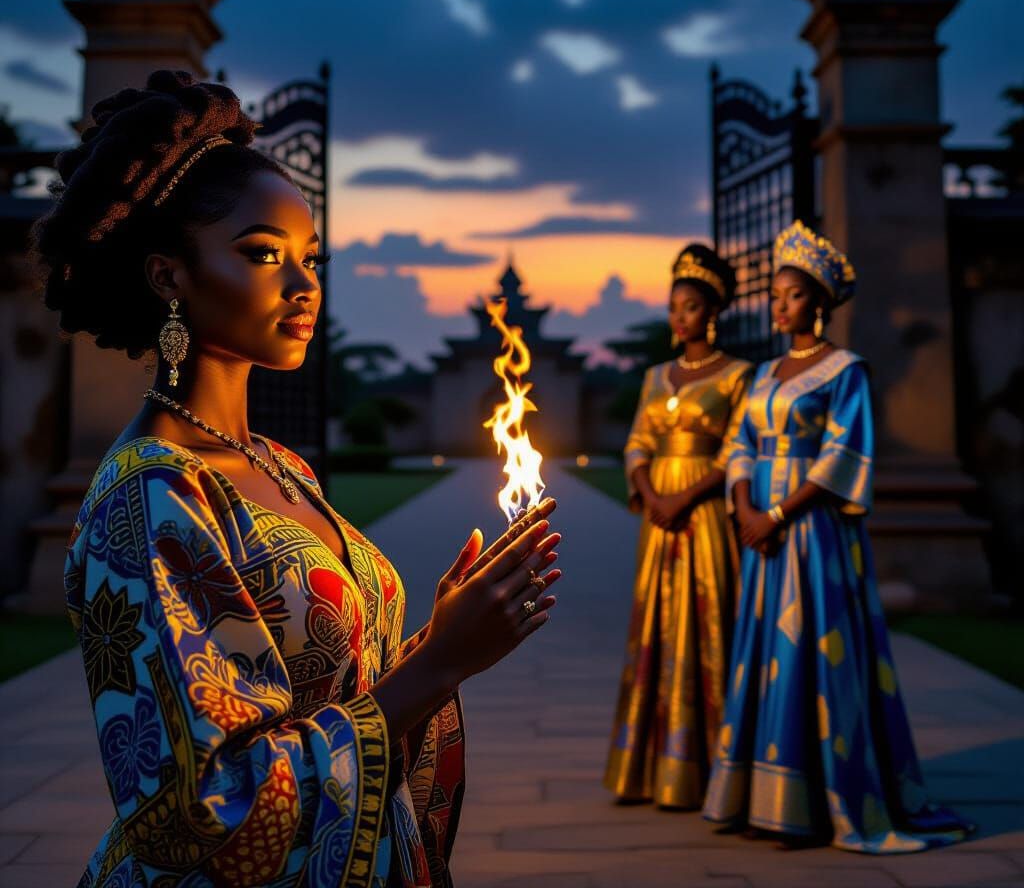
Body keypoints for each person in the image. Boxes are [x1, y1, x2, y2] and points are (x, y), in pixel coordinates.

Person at [33, 71, 562, 888]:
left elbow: (336, 690)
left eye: (310, 258)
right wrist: (440, 663)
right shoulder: (146, 498)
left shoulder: (281, 467)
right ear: (169, 276)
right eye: (262, 254)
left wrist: (443, 637)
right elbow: (193, 812)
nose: (303, 283)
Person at [703, 220, 972, 852]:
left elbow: (841, 455)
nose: (780, 304)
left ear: (819, 302)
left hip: (810, 532)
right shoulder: (764, 375)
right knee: (764, 649)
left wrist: (776, 516)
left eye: (793, 294)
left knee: (812, 648)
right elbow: (740, 444)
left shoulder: (846, 370)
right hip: (761, 532)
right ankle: (761, 800)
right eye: (775, 293)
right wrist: (746, 508)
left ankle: (824, 800)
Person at [605, 245, 753, 809]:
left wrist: (685, 497)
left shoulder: (741, 376)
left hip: (705, 514)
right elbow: (638, 442)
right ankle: (653, 768)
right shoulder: (655, 377)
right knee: (658, 626)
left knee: (712, 621)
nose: (680, 316)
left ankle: (719, 767)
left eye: (690, 306)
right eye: (674, 307)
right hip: (659, 518)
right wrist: (648, 493)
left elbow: (737, 450)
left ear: (712, 313)